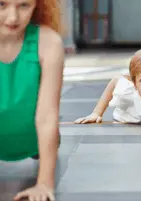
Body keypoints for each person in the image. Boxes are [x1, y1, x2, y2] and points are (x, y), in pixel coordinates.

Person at [0, 0, 64, 201]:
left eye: (24, 5)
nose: (13, 17)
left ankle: (39, 151)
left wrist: (44, 183)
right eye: (1, 4)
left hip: (33, 140)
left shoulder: (49, 42)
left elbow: (46, 117)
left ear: (38, 5)